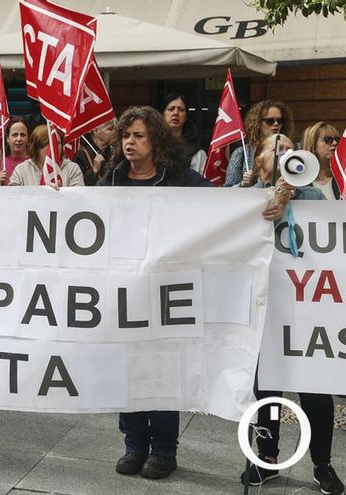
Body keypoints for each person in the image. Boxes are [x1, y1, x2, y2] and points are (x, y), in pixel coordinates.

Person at [98, 106, 211, 479]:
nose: (130, 142)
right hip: (123, 294)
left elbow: (221, 209)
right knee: (127, 371)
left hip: (165, 295)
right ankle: (134, 445)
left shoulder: (180, 179)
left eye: (138, 136)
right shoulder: (112, 179)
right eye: (126, 136)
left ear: (156, 140)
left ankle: (163, 450)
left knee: (162, 372)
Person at [240, 134, 343, 494]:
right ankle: (267, 458)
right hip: (265, 310)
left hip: (307, 309)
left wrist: (291, 195)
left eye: (289, 149)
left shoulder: (313, 196)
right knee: (265, 386)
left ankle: (322, 463)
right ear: (259, 160)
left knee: (315, 385)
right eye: (274, 148)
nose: (284, 154)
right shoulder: (242, 197)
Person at [225, 99, 294, 187]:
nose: (276, 124)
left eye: (280, 120)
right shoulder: (242, 153)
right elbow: (228, 189)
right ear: (257, 123)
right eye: (270, 121)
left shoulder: (289, 149)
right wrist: (243, 185)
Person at [8, 125, 84, 187]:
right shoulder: (21, 170)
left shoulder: (72, 169)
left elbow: (79, 199)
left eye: (59, 143)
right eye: (50, 143)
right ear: (37, 147)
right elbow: (13, 198)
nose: (55, 147)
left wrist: (62, 192)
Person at [161, 94, 207, 174]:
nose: (175, 113)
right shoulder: (152, 146)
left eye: (181, 109)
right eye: (171, 109)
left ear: (186, 117)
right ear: (163, 114)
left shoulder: (197, 153)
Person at [301, 122, 341, 200]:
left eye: (337, 139)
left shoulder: (343, 178)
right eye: (327, 139)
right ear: (313, 144)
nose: (334, 143)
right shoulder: (298, 181)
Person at [72, 118, 117, 186]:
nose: (114, 132)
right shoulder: (81, 155)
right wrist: (94, 170)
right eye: (110, 129)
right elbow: (78, 186)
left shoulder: (115, 153)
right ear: (96, 130)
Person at [0, 117, 29, 185]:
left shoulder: (35, 163)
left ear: (28, 138)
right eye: (15, 135)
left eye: (22, 135)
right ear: (7, 138)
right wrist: (0, 184)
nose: (19, 139)